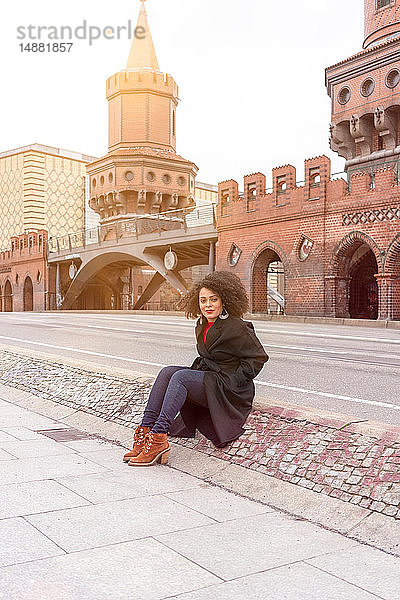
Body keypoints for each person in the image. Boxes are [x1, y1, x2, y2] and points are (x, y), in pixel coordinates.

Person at [123, 271, 269, 467]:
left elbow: (258, 358)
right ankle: (146, 430)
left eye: (213, 299)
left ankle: (159, 438)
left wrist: (234, 381)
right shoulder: (202, 325)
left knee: (181, 378)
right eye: (203, 300)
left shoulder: (237, 327)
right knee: (168, 372)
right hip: (212, 378)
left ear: (223, 301)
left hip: (230, 387)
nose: (207, 305)